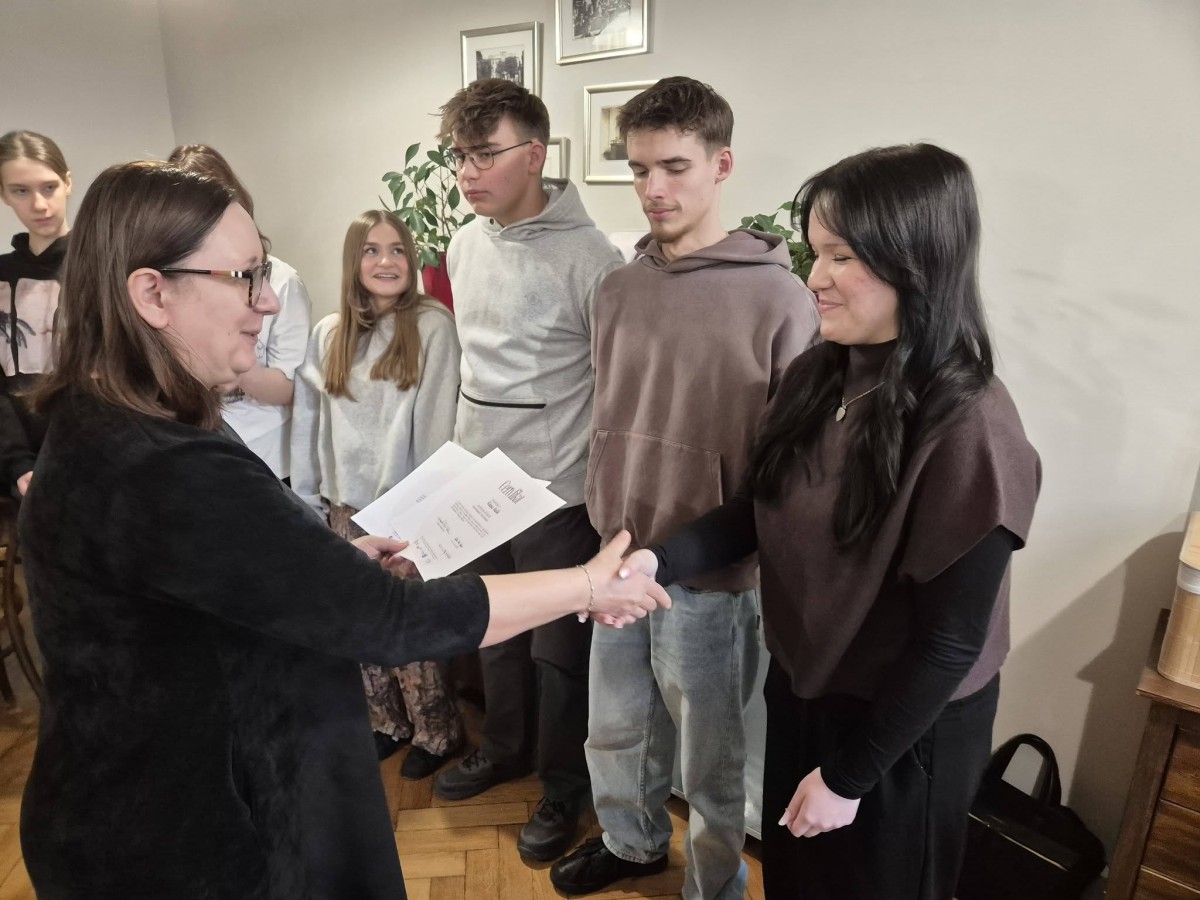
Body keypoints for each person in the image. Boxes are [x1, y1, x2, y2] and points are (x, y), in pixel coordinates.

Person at [18, 160, 670, 900]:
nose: (267, 302)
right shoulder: (163, 463)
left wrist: (330, 560)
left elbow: (210, 579)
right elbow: (392, 621)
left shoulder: (110, 420)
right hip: (188, 844)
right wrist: (587, 584)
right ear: (151, 293)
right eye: (244, 277)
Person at [616, 143, 1041, 900]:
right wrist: (657, 561)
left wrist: (849, 778)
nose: (815, 278)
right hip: (808, 690)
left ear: (917, 262)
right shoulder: (819, 374)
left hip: (903, 730)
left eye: (842, 257)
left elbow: (950, 642)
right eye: (816, 253)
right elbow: (757, 510)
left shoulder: (969, 423)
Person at [550, 77, 820, 899]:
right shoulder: (619, 288)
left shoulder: (779, 297)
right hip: (617, 557)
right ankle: (631, 845)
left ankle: (714, 888)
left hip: (713, 575)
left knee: (712, 762)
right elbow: (611, 414)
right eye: (639, 170)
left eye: (674, 166)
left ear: (721, 165)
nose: (654, 189)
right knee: (615, 731)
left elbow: (790, 462)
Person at [430, 78, 624, 862]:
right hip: (477, 481)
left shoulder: (594, 259)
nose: (467, 173)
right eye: (459, 156)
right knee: (491, 631)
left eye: (485, 154)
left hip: (554, 490)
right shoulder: (463, 244)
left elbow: (613, 386)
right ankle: (503, 749)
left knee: (558, 654)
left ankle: (562, 788)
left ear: (535, 154)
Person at [290, 209, 465, 778]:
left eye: (397, 250)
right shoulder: (329, 333)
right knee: (359, 625)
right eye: (371, 250)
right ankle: (386, 722)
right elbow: (312, 423)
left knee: (410, 630)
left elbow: (438, 427)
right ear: (354, 261)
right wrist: (312, 500)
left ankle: (436, 733)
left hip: (406, 507)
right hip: (346, 507)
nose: (386, 261)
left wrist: (425, 509)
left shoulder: (432, 326)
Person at [168, 143, 312, 481]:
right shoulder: (173, 284)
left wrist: (225, 366)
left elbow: (292, 388)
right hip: (196, 447)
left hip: (266, 454)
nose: (267, 303)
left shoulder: (283, 282)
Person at [0, 130, 71, 499]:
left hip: (102, 457)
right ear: (3, 194)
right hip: (21, 471)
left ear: (67, 183)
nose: (40, 205)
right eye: (21, 191)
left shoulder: (104, 269)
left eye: (49, 187)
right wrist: (18, 465)